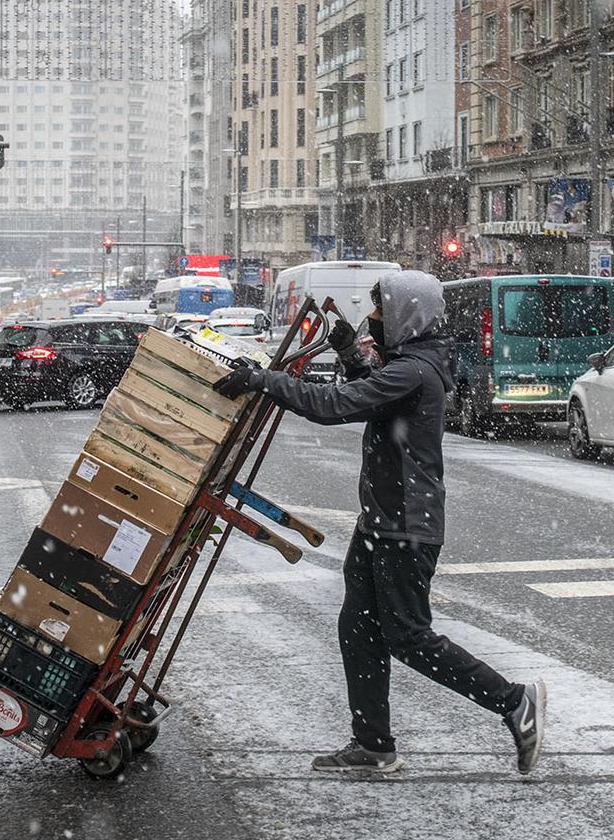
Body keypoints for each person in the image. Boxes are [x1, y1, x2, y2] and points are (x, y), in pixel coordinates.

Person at [212, 270, 546, 776]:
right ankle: (372, 744)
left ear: (406, 320)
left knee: (409, 637)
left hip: (405, 527)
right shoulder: (407, 365)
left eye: (379, 312)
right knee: (359, 627)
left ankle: (514, 701)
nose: (371, 319)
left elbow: (336, 405)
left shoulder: (413, 372)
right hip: (381, 523)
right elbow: (364, 387)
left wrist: (264, 380)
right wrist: (348, 351)